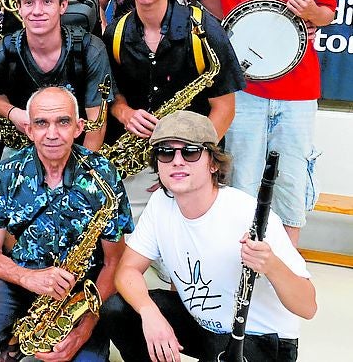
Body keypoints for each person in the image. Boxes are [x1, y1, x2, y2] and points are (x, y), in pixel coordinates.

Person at [102, 110, 316, 362]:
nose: (177, 161)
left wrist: (271, 265)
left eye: (190, 152)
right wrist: (150, 313)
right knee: (119, 310)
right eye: (166, 152)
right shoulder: (161, 202)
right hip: (203, 328)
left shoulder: (247, 213)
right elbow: (127, 270)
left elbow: (308, 306)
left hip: (260, 338)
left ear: (213, 163)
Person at [0, 86, 133, 361]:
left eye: (63, 122)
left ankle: (52, 338)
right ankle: (10, 347)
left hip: (82, 291)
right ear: (29, 129)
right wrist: (30, 278)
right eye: (41, 123)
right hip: (23, 277)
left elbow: (114, 262)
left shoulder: (103, 174)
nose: (52, 133)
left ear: (79, 127)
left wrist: (85, 326)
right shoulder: (7, 172)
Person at [206, 0, 337, 246]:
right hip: (244, 89)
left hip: (298, 91)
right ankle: (241, 267)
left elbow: (327, 13)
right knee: (242, 182)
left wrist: (309, 12)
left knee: (291, 182)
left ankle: (288, 268)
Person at [102, 0, 245, 217]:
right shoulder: (116, 32)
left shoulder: (204, 29)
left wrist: (184, 160)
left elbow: (225, 109)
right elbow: (111, 96)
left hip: (193, 165)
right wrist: (125, 112)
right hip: (137, 167)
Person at [0, 0, 112, 155]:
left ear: (63, 6)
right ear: (18, 8)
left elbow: (96, 123)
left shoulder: (91, 49)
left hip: (77, 146)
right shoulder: (3, 51)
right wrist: (14, 114)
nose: (37, 11)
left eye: (47, 2)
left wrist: (81, 172)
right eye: (28, 3)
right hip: (21, 147)